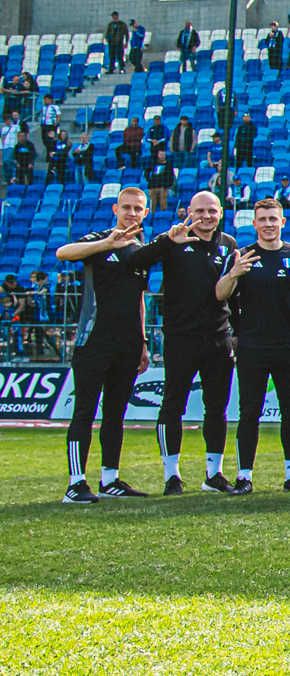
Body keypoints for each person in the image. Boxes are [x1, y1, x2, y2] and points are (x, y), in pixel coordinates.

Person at [123, 192, 240, 494]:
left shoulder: (228, 244)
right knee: (172, 405)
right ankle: (171, 476)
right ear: (189, 212)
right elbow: (136, 261)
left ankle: (214, 475)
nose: (206, 216)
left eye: (212, 211)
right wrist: (167, 241)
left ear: (221, 213)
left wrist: (237, 332)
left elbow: (233, 292)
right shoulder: (174, 239)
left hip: (218, 339)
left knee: (217, 408)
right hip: (180, 338)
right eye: (200, 211)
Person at [215, 198, 290, 492]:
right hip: (252, 346)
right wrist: (234, 272)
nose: (268, 224)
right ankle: (244, 476)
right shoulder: (242, 256)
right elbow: (220, 294)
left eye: (273, 219)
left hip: (289, 345)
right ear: (254, 224)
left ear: (282, 222)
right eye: (262, 219)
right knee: (249, 412)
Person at [55, 187, 153, 502]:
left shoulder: (141, 252)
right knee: (84, 411)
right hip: (93, 340)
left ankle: (109, 480)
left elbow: (139, 299)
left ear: (145, 213)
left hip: (128, 344)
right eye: (126, 207)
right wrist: (106, 243)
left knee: (115, 413)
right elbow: (63, 253)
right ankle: (75, 484)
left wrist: (142, 341)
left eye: (137, 209)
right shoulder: (99, 241)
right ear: (115, 209)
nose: (131, 213)